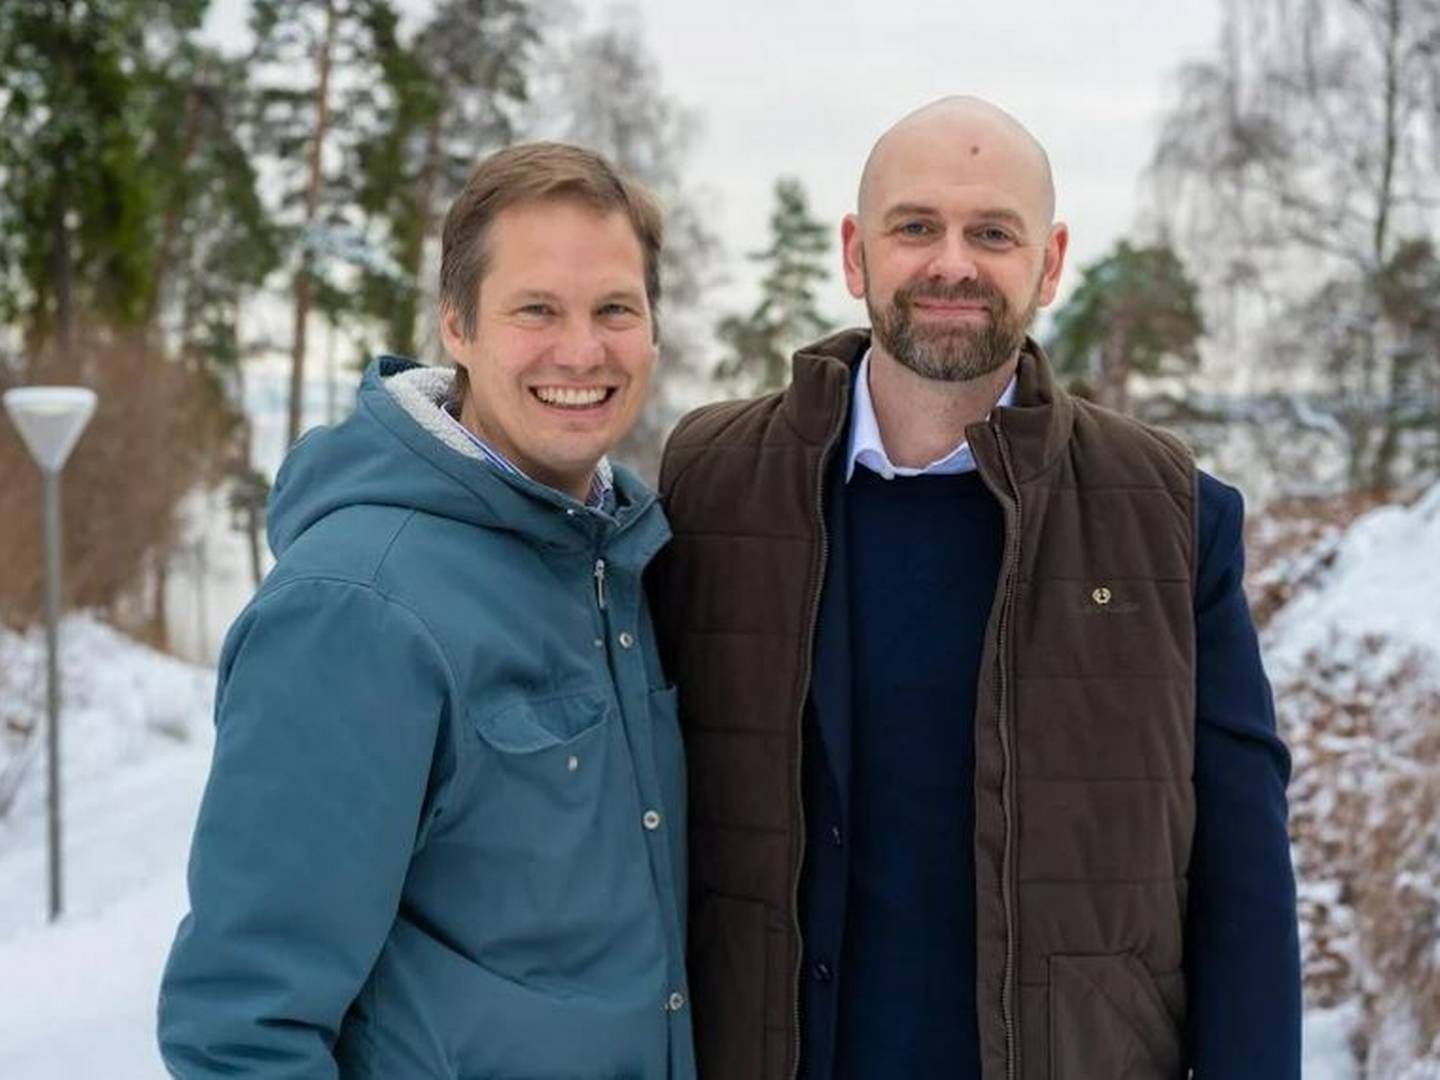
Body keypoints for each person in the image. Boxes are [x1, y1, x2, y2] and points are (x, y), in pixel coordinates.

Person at [650, 97, 1300, 1079]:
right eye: (915, 227)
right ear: (855, 253)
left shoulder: (1166, 514)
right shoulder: (712, 482)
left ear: (1049, 260)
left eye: (992, 232)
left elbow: (1243, 884)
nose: (951, 263)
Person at [158, 142, 694, 1079]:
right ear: (456, 323)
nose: (583, 350)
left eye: (616, 309)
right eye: (536, 309)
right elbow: (240, 1027)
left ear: (653, 330)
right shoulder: (358, 606)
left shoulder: (621, 560)